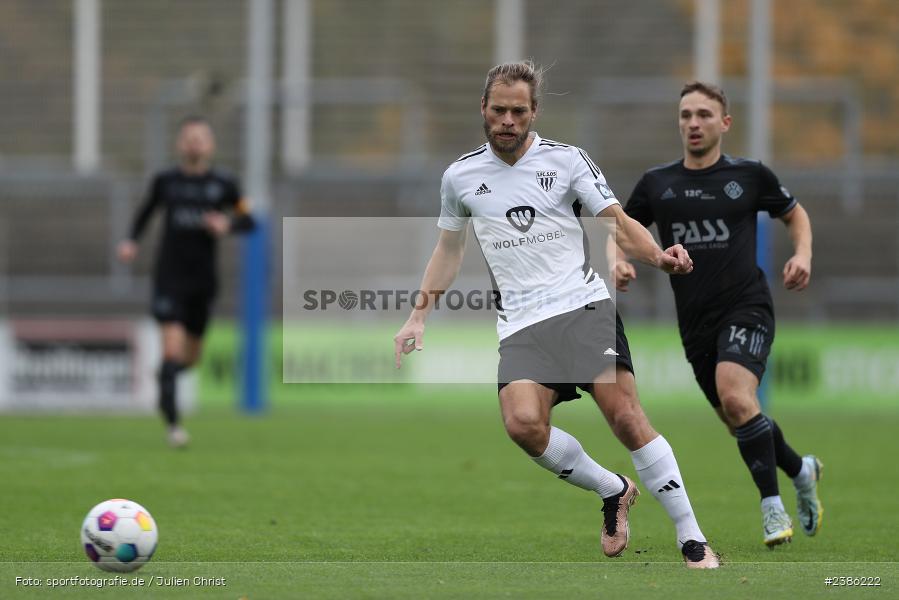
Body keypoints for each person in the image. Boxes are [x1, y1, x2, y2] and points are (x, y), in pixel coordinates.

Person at [394, 62, 719, 568]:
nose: (507, 119)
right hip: (521, 324)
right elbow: (449, 250)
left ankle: (691, 537)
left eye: (518, 111)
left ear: (533, 113)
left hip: (582, 308)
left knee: (627, 419)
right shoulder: (460, 176)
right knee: (523, 424)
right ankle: (613, 490)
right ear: (483, 108)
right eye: (498, 109)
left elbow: (617, 220)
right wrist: (418, 316)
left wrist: (657, 257)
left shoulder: (566, 161)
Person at [614, 81, 821, 547]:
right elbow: (621, 228)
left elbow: (795, 214)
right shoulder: (657, 183)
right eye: (686, 114)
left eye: (704, 114)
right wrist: (619, 260)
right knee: (739, 416)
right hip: (695, 322)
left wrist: (803, 253)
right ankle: (801, 470)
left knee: (735, 396)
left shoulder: (749, 176)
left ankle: (772, 509)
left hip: (747, 304)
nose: (693, 123)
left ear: (724, 123)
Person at [117, 116, 254, 447]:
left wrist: (227, 225)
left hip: (203, 281)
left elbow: (247, 220)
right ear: (180, 144)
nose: (195, 143)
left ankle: (165, 378)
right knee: (172, 346)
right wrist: (131, 240)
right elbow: (146, 211)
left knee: (189, 359)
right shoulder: (166, 181)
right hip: (170, 278)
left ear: (211, 145)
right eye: (189, 138)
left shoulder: (225, 184)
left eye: (201, 138)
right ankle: (174, 427)